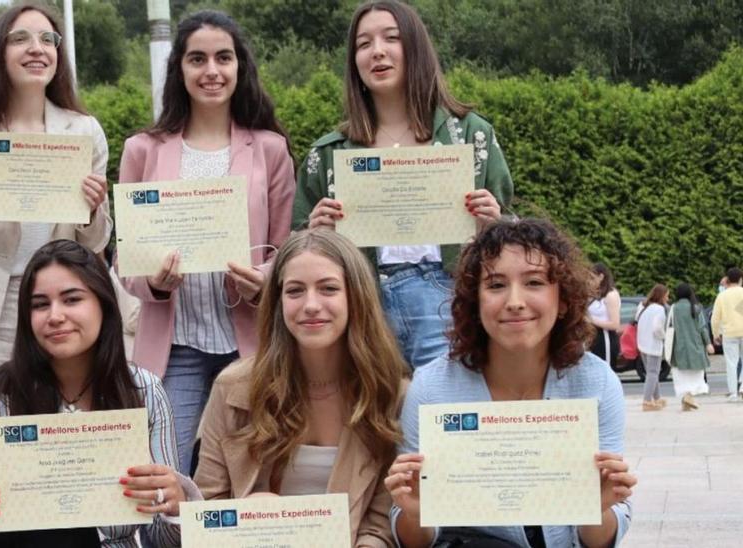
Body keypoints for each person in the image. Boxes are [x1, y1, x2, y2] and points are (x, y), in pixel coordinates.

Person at [116, 10, 295, 474]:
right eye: (197, 59)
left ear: (240, 67)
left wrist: (265, 280)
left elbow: (285, 249)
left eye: (223, 58)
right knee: (162, 472)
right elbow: (126, 261)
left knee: (254, 472)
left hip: (250, 342)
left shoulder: (270, 149)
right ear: (179, 68)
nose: (211, 71)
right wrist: (154, 283)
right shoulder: (143, 150)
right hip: (174, 345)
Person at [387, 219, 635, 547]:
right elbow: (415, 539)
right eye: (496, 285)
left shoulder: (596, 382)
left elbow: (599, 539)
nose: (514, 301)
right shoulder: (431, 387)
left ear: (563, 300)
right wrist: (414, 514)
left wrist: (599, 508)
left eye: (534, 282)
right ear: (474, 301)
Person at [293, 0, 513, 370]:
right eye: (363, 44)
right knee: (374, 422)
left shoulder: (471, 135)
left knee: (440, 417)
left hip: (448, 298)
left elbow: (513, 234)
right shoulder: (329, 152)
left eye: (390, 38)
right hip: (362, 308)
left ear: (416, 47)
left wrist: (494, 224)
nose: (377, 51)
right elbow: (295, 247)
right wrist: (315, 236)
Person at [0, 239, 193, 547]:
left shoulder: (144, 391)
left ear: (104, 303)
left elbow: (162, 539)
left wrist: (175, 507)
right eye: (39, 305)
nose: (55, 316)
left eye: (72, 299)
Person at [0, 3, 111, 383]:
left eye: (48, 39)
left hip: (58, 307)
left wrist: (93, 210)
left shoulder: (84, 131)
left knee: (52, 432)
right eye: (20, 39)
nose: (36, 48)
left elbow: (98, 240)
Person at [195, 229, 406, 547]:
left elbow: (380, 527)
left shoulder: (393, 395)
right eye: (294, 291)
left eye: (328, 289)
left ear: (356, 296)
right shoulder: (232, 388)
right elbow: (205, 508)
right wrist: (243, 518)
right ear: (277, 302)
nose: (310, 305)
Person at [668, 283, 713, 410]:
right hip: (695, 346)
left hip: (679, 348)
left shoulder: (673, 308)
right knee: (696, 376)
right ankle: (688, 398)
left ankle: (686, 402)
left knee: (681, 376)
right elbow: (702, 328)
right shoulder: (696, 307)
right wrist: (708, 343)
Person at [635, 284, 669, 411]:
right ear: (661, 296)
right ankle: (647, 401)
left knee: (651, 372)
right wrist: (664, 337)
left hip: (642, 343)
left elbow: (637, 320)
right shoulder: (659, 309)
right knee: (653, 373)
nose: (667, 299)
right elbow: (657, 328)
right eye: (666, 296)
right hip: (653, 345)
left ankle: (657, 398)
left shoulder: (642, 306)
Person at [711, 267, 743, 401]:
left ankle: (733, 393)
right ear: (740, 279)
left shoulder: (722, 296)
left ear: (728, 279)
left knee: (731, 363)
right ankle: (742, 388)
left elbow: (715, 318)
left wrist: (716, 333)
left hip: (729, 333)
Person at [586, 263, 621, 368]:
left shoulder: (611, 295)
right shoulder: (595, 295)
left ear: (601, 277)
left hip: (605, 338)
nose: (589, 281)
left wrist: (591, 321)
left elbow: (615, 324)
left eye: (592, 278)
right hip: (592, 337)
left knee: (606, 370)